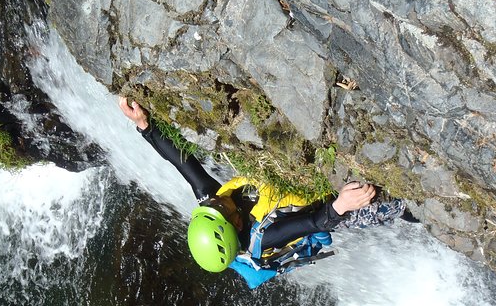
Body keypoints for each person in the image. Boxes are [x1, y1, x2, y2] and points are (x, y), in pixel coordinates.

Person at [119, 97, 411, 288]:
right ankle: (409, 214)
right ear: (235, 224)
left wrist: (144, 126)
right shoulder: (264, 235)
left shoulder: (214, 204)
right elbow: (314, 222)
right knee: (389, 203)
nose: (214, 199)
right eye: (218, 207)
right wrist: (342, 205)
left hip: (292, 201)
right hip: (321, 213)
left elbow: (181, 163)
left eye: (209, 203)